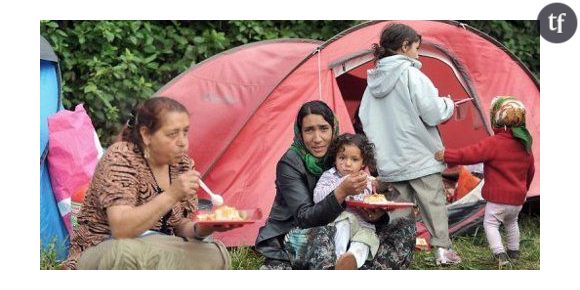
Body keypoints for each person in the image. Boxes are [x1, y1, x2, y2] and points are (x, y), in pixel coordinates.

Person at [61, 97, 239, 270]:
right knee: (125, 254)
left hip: (157, 248)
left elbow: (180, 225)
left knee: (215, 254)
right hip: (105, 248)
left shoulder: (182, 164)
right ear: (146, 135)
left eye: (185, 132)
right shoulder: (121, 158)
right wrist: (171, 194)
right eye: (172, 134)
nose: (183, 143)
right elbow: (122, 230)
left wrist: (202, 228)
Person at [255, 100, 416, 270]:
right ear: (300, 134)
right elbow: (304, 218)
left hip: (351, 225)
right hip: (299, 231)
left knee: (403, 226)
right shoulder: (290, 163)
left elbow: (370, 192)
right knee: (323, 233)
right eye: (309, 130)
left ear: (333, 129)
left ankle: (356, 267)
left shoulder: (342, 153)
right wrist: (341, 192)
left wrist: (377, 215)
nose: (317, 139)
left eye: (323, 128)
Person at [358, 23, 461, 265]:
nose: (418, 52)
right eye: (416, 47)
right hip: (420, 154)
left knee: (399, 207)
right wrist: (448, 104)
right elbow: (432, 113)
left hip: (390, 158)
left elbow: (365, 117)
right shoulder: (412, 74)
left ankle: (396, 254)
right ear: (404, 46)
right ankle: (442, 251)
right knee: (432, 202)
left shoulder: (373, 81)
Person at [435, 96, 535, 266]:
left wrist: (447, 155)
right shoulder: (525, 145)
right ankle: (514, 251)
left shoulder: (494, 143)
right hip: (517, 199)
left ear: (496, 118)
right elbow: (531, 171)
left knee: (490, 223)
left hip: (498, 199)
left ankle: (500, 254)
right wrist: (523, 190)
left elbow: (469, 154)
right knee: (512, 222)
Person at [313, 133, 380, 269]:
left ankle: (351, 260)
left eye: (354, 159)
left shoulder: (367, 180)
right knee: (345, 220)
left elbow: (372, 200)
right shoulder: (330, 176)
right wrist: (343, 184)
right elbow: (317, 197)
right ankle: (339, 258)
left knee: (365, 240)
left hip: (363, 225)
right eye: (342, 158)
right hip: (340, 221)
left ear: (363, 163)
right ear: (335, 158)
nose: (347, 164)